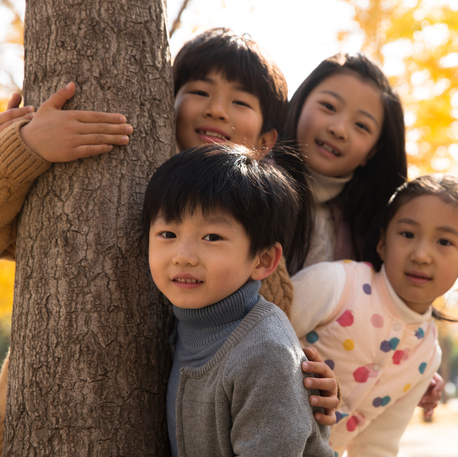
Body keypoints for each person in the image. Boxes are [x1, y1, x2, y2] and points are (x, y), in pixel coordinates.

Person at [0, 28, 337, 447]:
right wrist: (24, 144)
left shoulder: (260, 242)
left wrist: (311, 383)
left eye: (240, 101)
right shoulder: (126, 185)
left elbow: (268, 348)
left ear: (267, 140)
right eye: (199, 91)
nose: (217, 110)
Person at [272, 52, 445, 416]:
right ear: (300, 103)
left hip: (315, 409)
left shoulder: (370, 228)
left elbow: (380, 311)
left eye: (362, 126)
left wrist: (409, 367)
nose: (339, 128)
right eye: (328, 106)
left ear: (373, 152)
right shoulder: (248, 182)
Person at [290, 174, 458, 456]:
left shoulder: (427, 355)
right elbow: (255, 336)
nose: (421, 255)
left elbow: (377, 444)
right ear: (383, 242)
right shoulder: (336, 285)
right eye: (407, 234)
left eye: (444, 242)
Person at [142, 143, 333, 456]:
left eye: (212, 237)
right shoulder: (180, 324)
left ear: (263, 260)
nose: (183, 256)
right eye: (168, 234)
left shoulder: (265, 352)